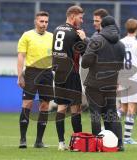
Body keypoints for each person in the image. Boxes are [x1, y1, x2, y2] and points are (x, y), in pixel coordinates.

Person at [82, 16, 125, 151]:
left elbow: (85, 63)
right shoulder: (121, 44)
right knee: (111, 114)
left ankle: (97, 144)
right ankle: (119, 143)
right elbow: (120, 66)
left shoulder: (96, 40)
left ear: (103, 26)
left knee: (96, 113)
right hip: (111, 84)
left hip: (94, 84)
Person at [17, 11, 54, 148]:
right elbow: (21, 56)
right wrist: (20, 75)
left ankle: (39, 141)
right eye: (41, 21)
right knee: (27, 104)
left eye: (46, 22)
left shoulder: (52, 37)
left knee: (45, 105)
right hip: (31, 72)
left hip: (47, 73)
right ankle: (22, 139)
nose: (44, 24)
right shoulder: (27, 35)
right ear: (35, 22)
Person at [52, 5, 86, 151]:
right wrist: (84, 39)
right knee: (75, 108)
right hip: (71, 72)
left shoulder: (56, 29)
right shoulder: (75, 33)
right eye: (80, 17)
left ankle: (61, 143)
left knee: (61, 107)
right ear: (73, 16)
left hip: (59, 72)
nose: (82, 20)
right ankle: (77, 143)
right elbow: (86, 53)